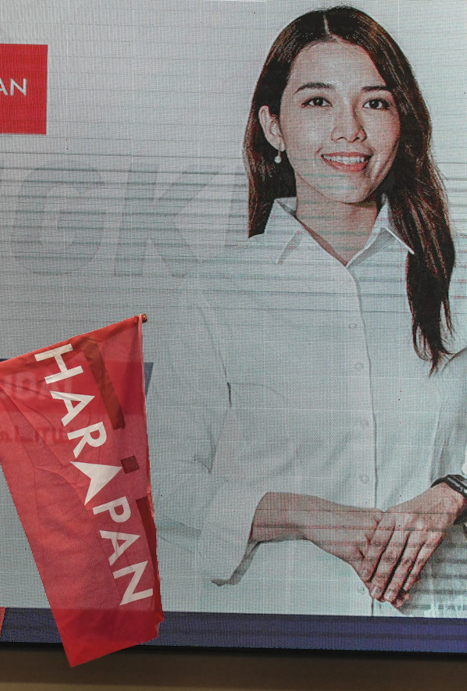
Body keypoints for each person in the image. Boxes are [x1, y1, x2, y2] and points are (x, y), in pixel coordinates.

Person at [150, 6, 467, 617]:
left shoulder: (456, 283)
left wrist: (452, 492)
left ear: (402, 121)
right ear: (273, 125)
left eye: (375, 103)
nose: (350, 130)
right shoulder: (216, 295)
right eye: (318, 102)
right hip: (281, 633)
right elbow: (166, 485)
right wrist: (306, 515)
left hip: (439, 630)